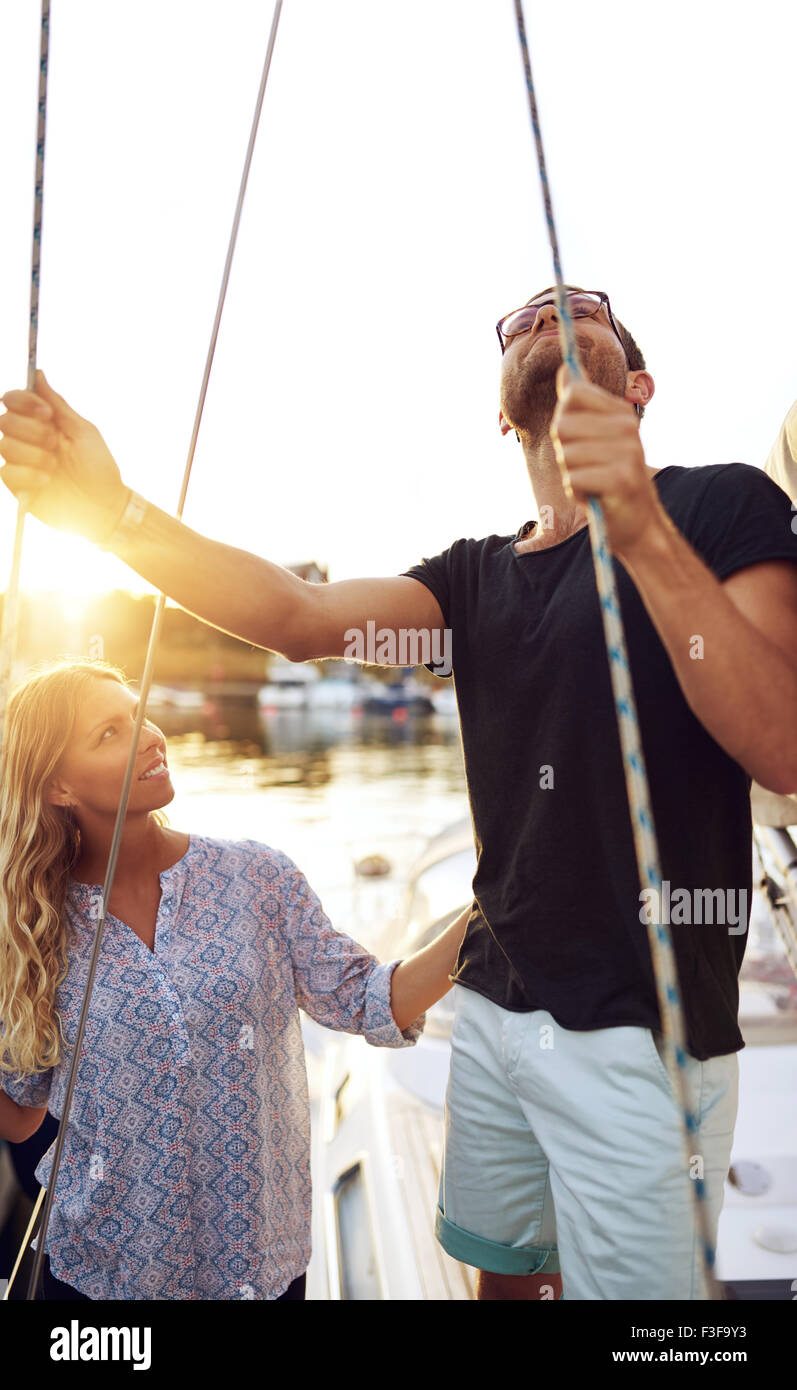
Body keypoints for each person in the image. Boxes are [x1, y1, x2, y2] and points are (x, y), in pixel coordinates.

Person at [2, 285, 797, 1300]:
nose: (547, 317)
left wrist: (636, 528)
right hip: (497, 1010)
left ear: (638, 386)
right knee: (501, 1277)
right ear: (503, 417)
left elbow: (778, 747)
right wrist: (111, 514)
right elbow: (297, 615)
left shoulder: (719, 505)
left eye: (582, 313)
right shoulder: (468, 583)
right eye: (521, 324)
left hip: (642, 1031)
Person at [0, 659, 468, 1300]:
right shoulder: (30, 930)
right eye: (109, 733)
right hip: (102, 1279)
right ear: (58, 787)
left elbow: (368, 999)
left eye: (140, 712)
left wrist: (492, 906)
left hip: (255, 1273)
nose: (147, 735)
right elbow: (21, 1115)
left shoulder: (257, 878)